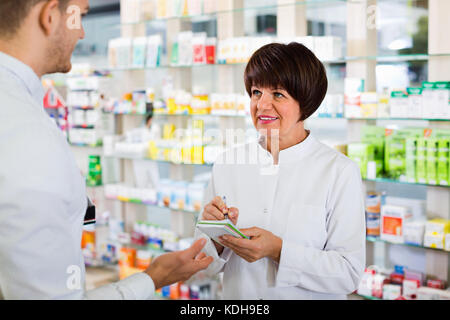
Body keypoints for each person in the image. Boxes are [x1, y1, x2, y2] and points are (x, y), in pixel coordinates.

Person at [0, 0, 212, 299]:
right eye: (80, 17)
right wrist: (149, 280)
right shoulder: (28, 134)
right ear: (49, 16)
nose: (84, 33)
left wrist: (154, 276)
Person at [195, 42, 366, 299]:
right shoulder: (227, 164)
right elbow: (200, 265)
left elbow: (349, 273)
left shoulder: (339, 172)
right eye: (256, 92)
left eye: (277, 94)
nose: (262, 106)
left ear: (305, 103)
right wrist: (218, 239)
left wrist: (279, 250)